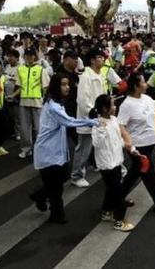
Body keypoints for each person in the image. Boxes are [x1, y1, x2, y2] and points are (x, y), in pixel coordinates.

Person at [29, 74, 100, 224]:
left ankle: (40, 196)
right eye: (63, 84)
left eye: (68, 84)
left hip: (56, 149)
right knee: (56, 186)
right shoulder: (54, 106)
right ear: (56, 86)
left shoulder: (57, 102)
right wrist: (94, 122)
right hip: (47, 150)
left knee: (58, 180)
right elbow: (69, 122)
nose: (67, 87)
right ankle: (57, 214)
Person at [118, 73, 155, 214]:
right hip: (138, 146)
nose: (146, 84)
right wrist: (129, 144)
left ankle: (116, 198)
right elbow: (121, 125)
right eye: (143, 82)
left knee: (134, 173)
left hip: (149, 143)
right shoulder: (127, 105)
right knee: (149, 173)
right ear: (136, 86)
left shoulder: (147, 98)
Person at [72, 48, 121, 188]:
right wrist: (92, 114)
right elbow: (82, 100)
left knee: (101, 144)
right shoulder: (86, 76)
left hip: (99, 116)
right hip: (89, 118)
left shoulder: (100, 75)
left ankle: (105, 166)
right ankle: (77, 175)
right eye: (99, 57)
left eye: (103, 57)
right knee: (84, 148)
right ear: (92, 60)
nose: (102, 59)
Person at [90, 95, 135, 232]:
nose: (115, 107)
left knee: (111, 190)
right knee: (118, 193)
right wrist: (102, 128)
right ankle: (119, 220)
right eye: (113, 105)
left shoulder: (114, 120)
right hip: (106, 164)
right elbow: (96, 143)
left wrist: (131, 149)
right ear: (104, 108)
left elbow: (118, 139)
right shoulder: (97, 124)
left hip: (116, 161)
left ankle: (106, 211)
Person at [16, 47, 51, 158]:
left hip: (37, 101)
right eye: (27, 55)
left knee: (39, 127)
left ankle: (42, 148)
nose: (29, 57)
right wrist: (12, 96)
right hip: (24, 101)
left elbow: (46, 87)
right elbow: (19, 86)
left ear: (35, 56)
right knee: (24, 127)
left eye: (31, 55)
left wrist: (47, 101)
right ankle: (26, 149)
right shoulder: (20, 69)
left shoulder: (41, 70)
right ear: (24, 56)